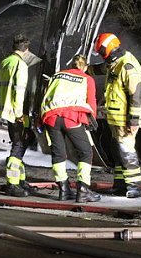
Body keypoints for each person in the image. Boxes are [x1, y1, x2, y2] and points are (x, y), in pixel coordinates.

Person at [91, 32, 141, 198]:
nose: (102, 56)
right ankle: (120, 185)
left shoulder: (126, 65)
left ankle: (134, 186)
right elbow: (100, 69)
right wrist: (84, 69)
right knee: (117, 150)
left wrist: (134, 120)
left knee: (126, 150)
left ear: (109, 48)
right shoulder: (114, 63)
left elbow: (136, 95)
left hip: (126, 119)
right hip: (117, 118)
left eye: (102, 52)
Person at [40, 54, 100, 202]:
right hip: (71, 118)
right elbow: (91, 103)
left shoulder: (57, 75)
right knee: (85, 152)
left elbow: (46, 95)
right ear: (85, 67)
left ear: (72, 65)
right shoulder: (87, 79)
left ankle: (64, 190)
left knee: (58, 154)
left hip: (51, 117)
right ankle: (83, 190)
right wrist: (90, 121)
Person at [0, 33, 40, 197]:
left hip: (7, 111)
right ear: (26, 50)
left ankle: (20, 180)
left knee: (21, 143)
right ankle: (12, 184)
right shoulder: (20, 64)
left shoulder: (5, 62)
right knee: (19, 145)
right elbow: (19, 91)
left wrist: (2, 104)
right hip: (17, 113)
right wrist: (20, 114)